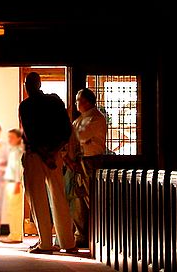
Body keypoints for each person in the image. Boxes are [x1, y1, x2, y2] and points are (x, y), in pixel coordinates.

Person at [18, 72, 76, 254]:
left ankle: (45, 243)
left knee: (37, 198)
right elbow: (67, 129)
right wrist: (53, 152)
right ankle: (67, 242)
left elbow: (30, 134)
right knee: (58, 195)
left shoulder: (26, 106)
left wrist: (44, 154)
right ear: (40, 83)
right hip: (55, 153)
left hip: (36, 155)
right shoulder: (55, 101)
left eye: (27, 83)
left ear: (28, 86)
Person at [64, 87, 107, 248]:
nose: (76, 103)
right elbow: (72, 140)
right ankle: (77, 233)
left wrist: (79, 142)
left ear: (87, 101)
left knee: (84, 199)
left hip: (90, 162)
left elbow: (78, 137)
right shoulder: (79, 119)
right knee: (75, 199)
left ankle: (84, 235)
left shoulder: (96, 118)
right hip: (77, 162)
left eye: (78, 100)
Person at [1, 128, 25, 243]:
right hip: (10, 182)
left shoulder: (17, 152)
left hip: (14, 182)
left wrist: (17, 182)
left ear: (18, 138)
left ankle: (16, 235)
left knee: (15, 209)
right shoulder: (12, 151)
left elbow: (17, 169)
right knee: (12, 209)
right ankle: (15, 233)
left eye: (11, 137)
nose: (9, 139)